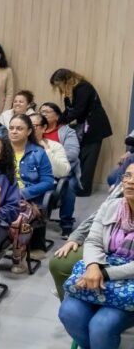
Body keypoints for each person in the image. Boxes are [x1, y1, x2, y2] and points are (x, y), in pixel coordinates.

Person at [59, 162, 134, 349]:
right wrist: (92, 266)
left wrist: (105, 273)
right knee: (68, 312)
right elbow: (92, 241)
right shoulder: (111, 206)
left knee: (102, 326)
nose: (130, 181)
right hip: (97, 277)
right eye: (128, 176)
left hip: (127, 287)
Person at [51, 68, 112, 196]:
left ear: (66, 81)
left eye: (59, 85)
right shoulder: (70, 91)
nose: (59, 88)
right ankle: (76, 186)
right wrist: (58, 121)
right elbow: (68, 110)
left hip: (94, 128)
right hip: (84, 128)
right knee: (81, 158)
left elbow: (78, 111)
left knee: (88, 160)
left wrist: (60, 121)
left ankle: (84, 190)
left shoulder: (84, 88)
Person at [7, 114, 54, 271]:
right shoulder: (1, 151)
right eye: (11, 128)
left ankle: (18, 257)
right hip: (3, 196)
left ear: (28, 131)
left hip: (28, 201)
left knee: (19, 220)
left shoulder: (38, 153)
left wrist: (24, 193)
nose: (14, 131)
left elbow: (48, 182)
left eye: (19, 128)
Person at [41, 101, 81, 235]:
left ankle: (66, 223)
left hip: (62, 170)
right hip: (38, 169)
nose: (43, 114)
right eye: (41, 111)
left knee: (69, 187)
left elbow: (72, 154)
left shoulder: (67, 132)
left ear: (57, 116)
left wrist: (51, 157)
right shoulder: (35, 130)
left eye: (47, 112)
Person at [31, 113, 70, 179]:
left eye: (33, 126)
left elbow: (63, 172)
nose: (30, 129)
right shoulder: (17, 145)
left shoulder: (55, 146)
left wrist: (47, 151)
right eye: (27, 126)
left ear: (44, 127)